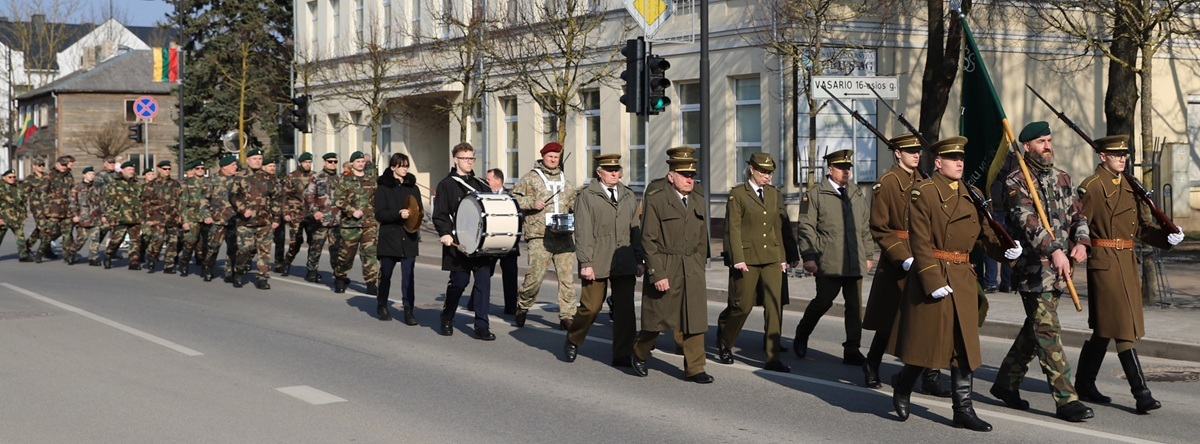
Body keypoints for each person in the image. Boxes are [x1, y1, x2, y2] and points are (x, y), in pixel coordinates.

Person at [890, 136, 1020, 432]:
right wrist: (931, 279)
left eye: (962, 159)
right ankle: (903, 383)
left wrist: (1007, 251)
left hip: (962, 276)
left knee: (964, 345)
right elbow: (920, 242)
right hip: (933, 273)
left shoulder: (972, 193)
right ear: (938, 163)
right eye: (953, 159)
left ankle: (962, 409)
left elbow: (985, 235)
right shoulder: (923, 193)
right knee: (927, 344)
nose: (960, 163)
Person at [991, 121, 1095, 423]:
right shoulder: (1015, 181)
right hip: (1034, 271)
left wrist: (1082, 242)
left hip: (1061, 270)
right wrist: (1055, 250)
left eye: (1049, 140)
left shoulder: (1063, 177)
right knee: (1048, 331)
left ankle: (1005, 383)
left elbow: (1078, 214)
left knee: (1035, 330)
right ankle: (1066, 399)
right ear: (1027, 146)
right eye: (1041, 141)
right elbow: (1028, 221)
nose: (1047, 146)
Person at [1075, 135, 1183, 414]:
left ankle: (1084, 383)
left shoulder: (1131, 187)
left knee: (1105, 328)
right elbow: (1077, 225)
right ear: (1102, 156)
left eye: (1125, 154)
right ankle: (1141, 393)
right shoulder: (1092, 188)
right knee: (1122, 328)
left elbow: (1142, 229)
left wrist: (1167, 237)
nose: (1122, 158)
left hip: (1126, 261)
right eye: (1116, 154)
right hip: (1104, 262)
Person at [860, 134, 951, 396]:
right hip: (898, 260)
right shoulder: (886, 184)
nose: (916, 154)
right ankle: (872, 364)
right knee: (890, 319)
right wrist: (903, 257)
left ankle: (930, 376)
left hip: (925, 257)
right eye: (909, 151)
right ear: (897, 153)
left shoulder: (925, 182)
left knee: (928, 319)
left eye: (918, 151)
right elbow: (879, 227)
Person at [631, 157, 712, 383]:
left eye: (692, 175)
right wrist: (657, 273)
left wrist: (699, 263)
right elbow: (648, 240)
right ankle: (639, 351)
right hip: (666, 263)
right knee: (658, 319)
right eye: (684, 175)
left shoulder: (698, 197)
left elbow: (701, 237)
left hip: (691, 264)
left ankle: (695, 368)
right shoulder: (657, 199)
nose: (690, 179)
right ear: (671, 176)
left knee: (694, 318)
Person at [793, 149, 874, 364]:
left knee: (855, 307)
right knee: (823, 302)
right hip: (829, 259)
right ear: (830, 169)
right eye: (842, 168)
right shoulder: (815, 194)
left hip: (854, 260)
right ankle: (802, 334)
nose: (846, 171)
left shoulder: (856, 193)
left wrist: (868, 254)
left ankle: (852, 349)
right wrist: (809, 256)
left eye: (848, 168)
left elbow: (864, 227)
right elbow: (806, 228)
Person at [563, 154, 644, 367]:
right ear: (599, 173)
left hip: (624, 259)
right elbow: (583, 232)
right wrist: (586, 262)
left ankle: (622, 353)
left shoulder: (628, 194)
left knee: (625, 310)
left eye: (617, 169)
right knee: (591, 307)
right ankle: (574, 337)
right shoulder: (587, 196)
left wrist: (639, 258)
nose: (615, 173)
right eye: (610, 170)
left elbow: (635, 230)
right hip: (597, 258)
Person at [716, 152, 791, 373]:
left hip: (771, 258)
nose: (767, 177)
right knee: (743, 305)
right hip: (747, 258)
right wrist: (737, 258)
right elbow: (733, 229)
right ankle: (725, 342)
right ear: (751, 170)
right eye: (763, 172)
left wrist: (783, 258)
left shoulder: (774, 194)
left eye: (769, 173)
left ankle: (772, 357)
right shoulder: (738, 194)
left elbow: (778, 227)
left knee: (774, 307)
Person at [433, 142, 496, 340]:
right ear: (456, 160)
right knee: (459, 283)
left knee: (483, 284)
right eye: (465, 158)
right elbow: (440, 213)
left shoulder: (481, 184)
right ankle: (447, 316)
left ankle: (481, 326)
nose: (469, 162)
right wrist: (444, 232)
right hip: (458, 242)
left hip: (481, 242)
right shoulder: (446, 184)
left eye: (471, 158)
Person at [512, 142, 578, 330]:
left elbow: (573, 200)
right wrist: (532, 202)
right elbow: (514, 197)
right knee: (535, 277)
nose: (553, 159)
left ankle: (567, 316)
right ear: (543, 156)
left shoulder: (565, 180)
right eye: (550, 156)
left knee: (566, 278)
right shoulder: (531, 178)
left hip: (563, 235)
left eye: (556, 156)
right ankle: (523, 304)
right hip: (540, 235)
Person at [642, 146, 695, 354]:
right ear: (671, 168)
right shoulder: (655, 191)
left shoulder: (695, 191)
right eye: (681, 165)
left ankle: (684, 347)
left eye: (690, 169)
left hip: (687, 260)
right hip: (665, 257)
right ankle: (646, 342)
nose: (688, 176)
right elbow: (647, 229)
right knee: (660, 310)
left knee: (686, 307)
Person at [374, 153, 422, 324]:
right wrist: (397, 214)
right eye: (401, 165)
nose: (405, 168)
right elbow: (379, 213)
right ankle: (382, 305)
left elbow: (419, 210)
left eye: (406, 165)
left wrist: (414, 218)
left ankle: (409, 310)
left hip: (408, 237)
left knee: (408, 276)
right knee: (386, 273)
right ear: (393, 167)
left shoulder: (412, 187)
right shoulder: (383, 188)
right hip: (390, 237)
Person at [230, 150, 281, 289]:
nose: (257, 161)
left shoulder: (269, 178)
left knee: (264, 252)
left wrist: (276, 218)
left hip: (265, 221)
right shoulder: (240, 177)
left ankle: (262, 277)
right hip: (245, 222)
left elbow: (276, 198)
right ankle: (239, 272)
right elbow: (233, 196)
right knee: (244, 250)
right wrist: (242, 209)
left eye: (260, 158)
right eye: (254, 158)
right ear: (247, 160)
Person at [333, 151, 379, 294]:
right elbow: (338, 200)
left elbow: (377, 199)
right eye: (358, 161)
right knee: (346, 254)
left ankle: (371, 282)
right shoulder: (345, 180)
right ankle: (340, 277)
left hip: (369, 223)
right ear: (352, 163)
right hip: (350, 224)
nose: (361, 164)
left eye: (362, 161)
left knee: (369, 254)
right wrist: (352, 211)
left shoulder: (371, 180)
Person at [483, 168, 520, 315]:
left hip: (508, 242)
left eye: (489, 180)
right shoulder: (485, 195)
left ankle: (511, 307)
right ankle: (474, 302)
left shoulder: (512, 197)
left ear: (498, 181)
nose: (486, 182)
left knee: (510, 275)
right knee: (485, 273)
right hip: (491, 242)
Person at [201, 155, 240, 282]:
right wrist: (206, 215)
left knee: (233, 248)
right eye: (233, 165)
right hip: (217, 220)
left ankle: (229, 273)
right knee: (213, 247)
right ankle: (208, 268)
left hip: (234, 219)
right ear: (224, 167)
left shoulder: (238, 180)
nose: (236, 167)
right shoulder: (211, 180)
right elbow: (203, 200)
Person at [304, 152, 342, 283]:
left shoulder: (340, 178)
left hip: (337, 219)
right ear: (324, 162)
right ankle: (312, 271)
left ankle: (338, 274)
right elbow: (309, 196)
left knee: (336, 249)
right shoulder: (316, 177)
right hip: (320, 220)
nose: (333, 164)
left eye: (335, 162)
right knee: (316, 247)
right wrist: (314, 211)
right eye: (330, 161)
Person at [279, 152, 316, 276]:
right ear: (300, 163)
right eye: (305, 162)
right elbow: (284, 196)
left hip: (311, 215)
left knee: (314, 242)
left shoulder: (315, 177)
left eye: (309, 162)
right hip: (296, 214)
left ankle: (311, 269)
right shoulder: (292, 177)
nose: (307, 164)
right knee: (296, 242)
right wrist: (285, 212)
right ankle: (287, 262)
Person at [103, 161, 143, 269]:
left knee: (135, 241)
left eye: (133, 170)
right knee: (117, 239)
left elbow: (142, 200)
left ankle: (133, 262)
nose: (131, 172)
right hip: (120, 217)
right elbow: (108, 201)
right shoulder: (115, 184)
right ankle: (108, 255)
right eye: (129, 170)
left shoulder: (137, 184)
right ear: (123, 170)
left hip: (135, 217)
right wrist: (110, 217)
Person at [35, 155, 75, 263]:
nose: (64, 167)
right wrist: (45, 208)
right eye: (62, 165)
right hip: (53, 210)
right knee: (48, 233)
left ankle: (68, 256)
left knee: (67, 234)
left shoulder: (69, 176)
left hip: (67, 210)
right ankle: (40, 251)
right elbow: (42, 193)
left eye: (66, 165)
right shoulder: (50, 176)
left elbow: (73, 191)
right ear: (57, 164)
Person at [65, 166, 102, 265]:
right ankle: (71, 253)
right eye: (89, 174)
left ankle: (93, 258)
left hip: (95, 217)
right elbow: (72, 202)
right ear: (84, 175)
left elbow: (102, 202)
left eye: (93, 174)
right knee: (82, 238)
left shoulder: (97, 187)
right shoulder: (78, 187)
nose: (92, 176)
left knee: (95, 238)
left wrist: (103, 214)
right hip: (83, 217)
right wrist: (75, 215)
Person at [177, 161, 208, 277]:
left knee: (205, 244)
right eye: (198, 168)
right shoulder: (187, 184)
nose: (200, 170)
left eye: (202, 168)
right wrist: (184, 221)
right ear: (194, 170)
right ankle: (184, 263)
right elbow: (183, 203)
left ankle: (205, 267)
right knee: (190, 242)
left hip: (206, 217)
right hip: (191, 217)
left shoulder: (209, 183)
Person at [22, 158, 48, 261]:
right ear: (34, 166)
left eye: (42, 165)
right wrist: (25, 210)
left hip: (48, 207)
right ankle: (41, 250)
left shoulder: (47, 177)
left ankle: (27, 246)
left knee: (41, 228)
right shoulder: (30, 179)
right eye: (39, 165)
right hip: (36, 207)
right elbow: (23, 194)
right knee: (43, 228)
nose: (41, 167)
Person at [0, 169, 29, 261]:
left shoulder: (18, 188)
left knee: (20, 235)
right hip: (4, 217)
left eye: (14, 177)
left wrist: (24, 214)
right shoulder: (1, 188)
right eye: (10, 177)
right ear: (4, 178)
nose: (12, 179)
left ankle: (23, 255)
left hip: (17, 217)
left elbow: (23, 202)